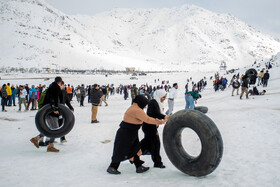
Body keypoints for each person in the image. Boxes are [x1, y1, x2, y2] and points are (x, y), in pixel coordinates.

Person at [107, 95, 166, 175]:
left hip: (131, 132)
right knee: (121, 150)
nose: (145, 106)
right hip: (126, 133)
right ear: (141, 102)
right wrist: (160, 121)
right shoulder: (136, 110)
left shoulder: (135, 108)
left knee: (135, 149)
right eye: (145, 104)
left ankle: (139, 166)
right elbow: (147, 119)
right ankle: (112, 167)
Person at [30, 77, 63, 152]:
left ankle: (36, 139)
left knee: (50, 129)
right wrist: (55, 109)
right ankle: (50, 146)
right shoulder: (55, 88)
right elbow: (52, 99)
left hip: (47, 111)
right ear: (60, 82)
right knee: (55, 129)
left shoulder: (51, 87)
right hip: (51, 111)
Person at [140, 90, 169, 168]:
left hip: (151, 126)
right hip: (149, 127)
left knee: (147, 144)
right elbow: (153, 114)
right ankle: (157, 163)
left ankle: (132, 155)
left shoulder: (156, 103)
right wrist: (164, 117)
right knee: (155, 144)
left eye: (165, 97)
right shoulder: (153, 102)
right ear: (159, 95)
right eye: (163, 97)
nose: (164, 99)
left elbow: (156, 115)